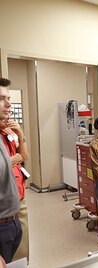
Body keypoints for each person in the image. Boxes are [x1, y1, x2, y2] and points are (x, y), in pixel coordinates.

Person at [0, 118, 30, 262]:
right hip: (5, 205)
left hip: (19, 197)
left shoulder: (8, 132)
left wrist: (19, 132)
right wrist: (13, 159)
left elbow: (24, 156)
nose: (6, 119)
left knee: (22, 253)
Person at [0, 78, 22, 263]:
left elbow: (24, 156)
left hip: (12, 220)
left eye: (8, 97)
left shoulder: (5, 134)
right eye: (1, 98)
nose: (8, 103)